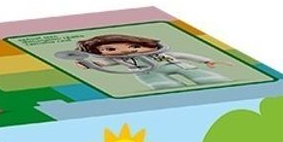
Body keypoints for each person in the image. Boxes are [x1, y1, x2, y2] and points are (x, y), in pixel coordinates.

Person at [57, 33, 230, 91]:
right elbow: (106, 64)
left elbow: (183, 55)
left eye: (134, 46)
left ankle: (214, 81)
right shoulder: (124, 60)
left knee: (200, 75)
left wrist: (207, 61)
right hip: (147, 72)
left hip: (177, 65)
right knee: (163, 85)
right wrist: (88, 64)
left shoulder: (164, 54)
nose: (126, 51)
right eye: (110, 49)